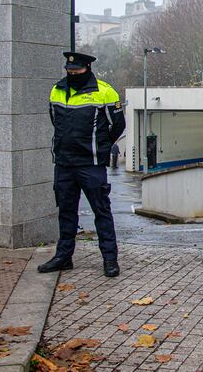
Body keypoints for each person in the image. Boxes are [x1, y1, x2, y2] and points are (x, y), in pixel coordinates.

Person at [38, 51, 126, 277]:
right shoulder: (57, 90)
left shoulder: (105, 92)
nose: (72, 72)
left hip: (91, 164)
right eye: (69, 70)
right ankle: (63, 257)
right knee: (66, 212)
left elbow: (118, 125)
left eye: (76, 69)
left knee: (101, 211)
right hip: (64, 163)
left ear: (87, 68)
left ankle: (110, 259)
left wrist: (102, 147)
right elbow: (54, 120)